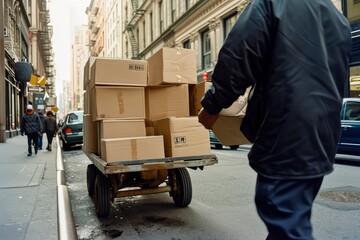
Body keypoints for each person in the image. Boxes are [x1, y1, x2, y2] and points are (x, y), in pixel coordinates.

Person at [198, 1, 352, 239]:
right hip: (324, 132)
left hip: (288, 129)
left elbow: (238, 57)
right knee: (290, 216)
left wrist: (212, 106)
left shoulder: (272, 3)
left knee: (285, 220)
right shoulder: (337, 16)